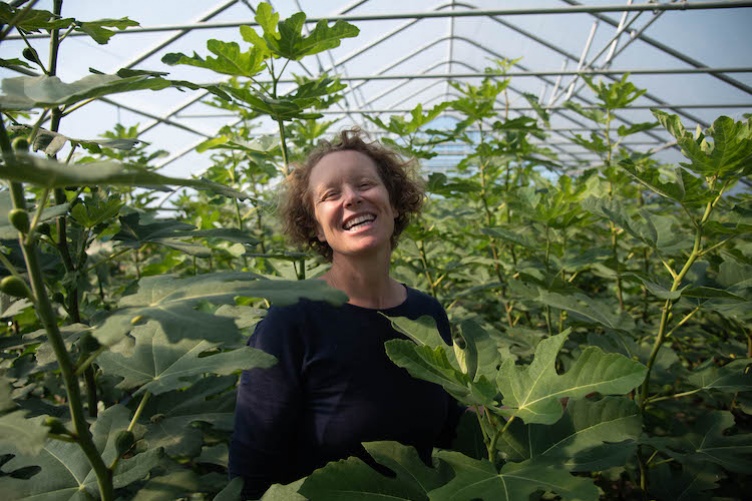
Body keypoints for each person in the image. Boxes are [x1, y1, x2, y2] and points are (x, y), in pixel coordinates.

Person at [228, 128, 462, 499]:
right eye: (330, 195)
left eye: (365, 184)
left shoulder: (427, 313)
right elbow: (252, 471)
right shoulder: (289, 323)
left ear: (396, 202)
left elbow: (453, 437)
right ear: (316, 229)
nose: (352, 198)